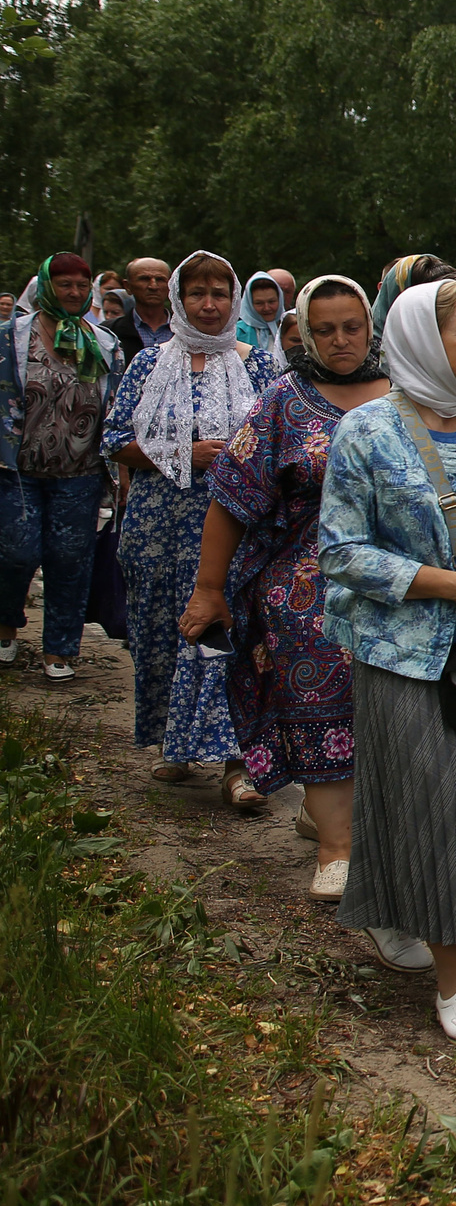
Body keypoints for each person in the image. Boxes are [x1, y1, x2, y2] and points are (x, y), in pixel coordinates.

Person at [317, 277, 456, 1047]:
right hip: (404, 652)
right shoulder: (367, 432)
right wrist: (446, 583)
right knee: (435, 805)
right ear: (422, 340)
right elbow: (341, 551)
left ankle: (390, 911)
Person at [181, 275, 387, 901]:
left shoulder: (408, 396)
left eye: (352, 326)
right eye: (324, 330)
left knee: (385, 709)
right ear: (303, 333)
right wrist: (208, 588)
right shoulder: (282, 402)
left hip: (400, 580)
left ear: (371, 326)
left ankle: (340, 817)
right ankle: (336, 846)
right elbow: (231, 496)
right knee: (319, 701)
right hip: (307, 584)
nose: (340, 340)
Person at [105, 253, 281, 800]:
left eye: (220, 294)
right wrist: (183, 454)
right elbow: (115, 439)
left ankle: (236, 762)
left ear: (234, 302)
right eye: (197, 294)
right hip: (159, 525)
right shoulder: (150, 363)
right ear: (178, 300)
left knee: (226, 635)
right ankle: (175, 745)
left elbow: (281, 441)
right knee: (164, 633)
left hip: (233, 526)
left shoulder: (258, 367)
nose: (209, 305)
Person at [0, 253, 119, 679]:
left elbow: (115, 406)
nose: (73, 293)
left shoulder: (104, 343)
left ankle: (60, 651)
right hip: (18, 470)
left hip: (80, 473)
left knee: (70, 560)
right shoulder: (11, 336)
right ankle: (6, 624)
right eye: (63, 284)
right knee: (16, 551)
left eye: (81, 286)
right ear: (47, 287)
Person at [108, 257, 173, 358]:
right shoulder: (110, 332)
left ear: (170, 285)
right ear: (127, 286)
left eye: (160, 279)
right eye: (144, 279)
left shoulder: (188, 332)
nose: (153, 286)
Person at [237, 272, 287, 358]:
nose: (267, 308)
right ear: (249, 304)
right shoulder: (237, 332)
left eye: (272, 302)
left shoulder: (290, 327)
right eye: (259, 303)